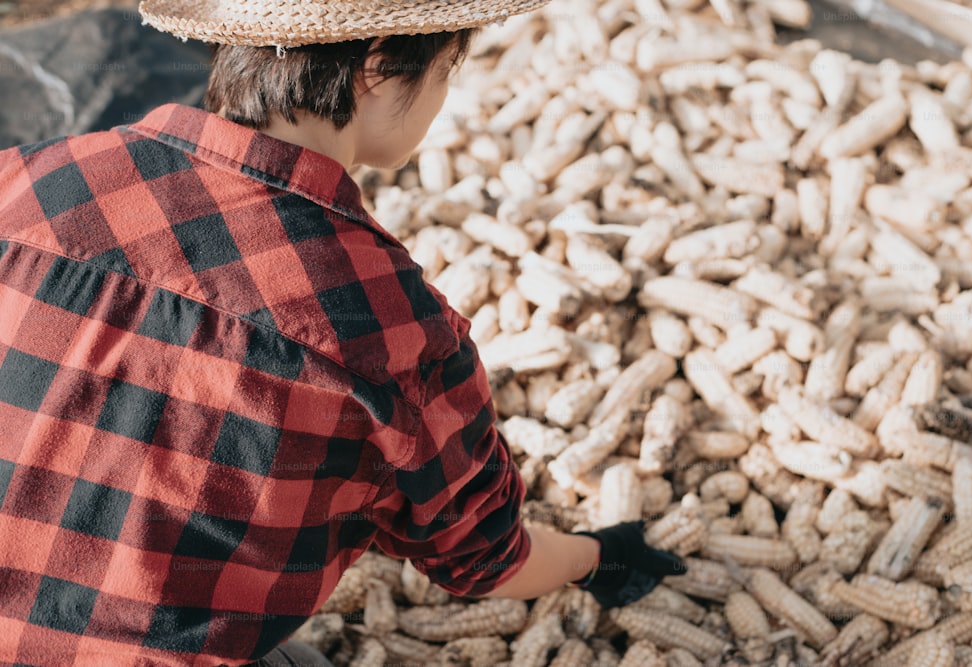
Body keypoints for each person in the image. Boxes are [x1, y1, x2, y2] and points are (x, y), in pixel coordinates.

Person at [0, 1, 685, 665]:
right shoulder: (388, 323)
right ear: (382, 67)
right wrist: (598, 556)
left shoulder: (21, 179)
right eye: (446, 71)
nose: (443, 97)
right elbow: (488, 559)